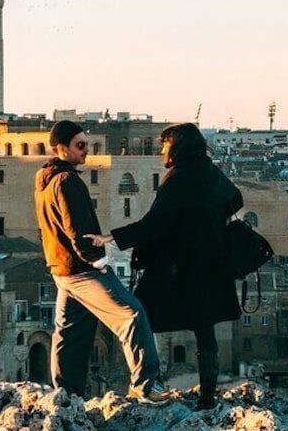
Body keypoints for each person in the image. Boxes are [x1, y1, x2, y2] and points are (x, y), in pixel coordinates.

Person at [86, 122, 243, 410]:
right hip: (212, 265)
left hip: (179, 268)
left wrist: (111, 237)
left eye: (165, 144)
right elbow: (236, 199)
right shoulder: (210, 172)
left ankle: (146, 385)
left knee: (140, 318)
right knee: (204, 330)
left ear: (177, 146)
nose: (162, 150)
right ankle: (207, 397)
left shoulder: (179, 178)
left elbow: (155, 224)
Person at [33, 120, 169, 405]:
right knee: (131, 315)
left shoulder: (44, 180)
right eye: (80, 145)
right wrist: (98, 262)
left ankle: (66, 396)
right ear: (61, 148)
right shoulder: (67, 181)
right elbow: (78, 230)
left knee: (70, 334)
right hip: (82, 270)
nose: (86, 151)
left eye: (87, 145)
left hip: (61, 269)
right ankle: (146, 386)